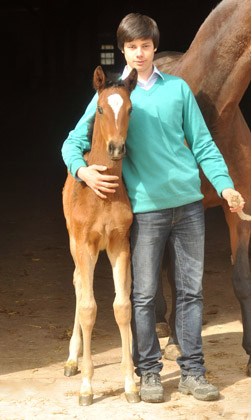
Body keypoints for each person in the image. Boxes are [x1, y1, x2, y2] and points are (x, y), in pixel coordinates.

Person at [61, 13, 245, 403]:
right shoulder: (114, 95)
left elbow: (203, 144)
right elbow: (72, 143)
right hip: (145, 209)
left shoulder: (178, 90)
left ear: (154, 48)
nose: (140, 52)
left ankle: (194, 371)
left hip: (188, 205)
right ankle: (148, 373)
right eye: (132, 47)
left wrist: (226, 186)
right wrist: (84, 172)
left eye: (146, 46)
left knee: (191, 292)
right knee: (143, 295)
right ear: (124, 51)